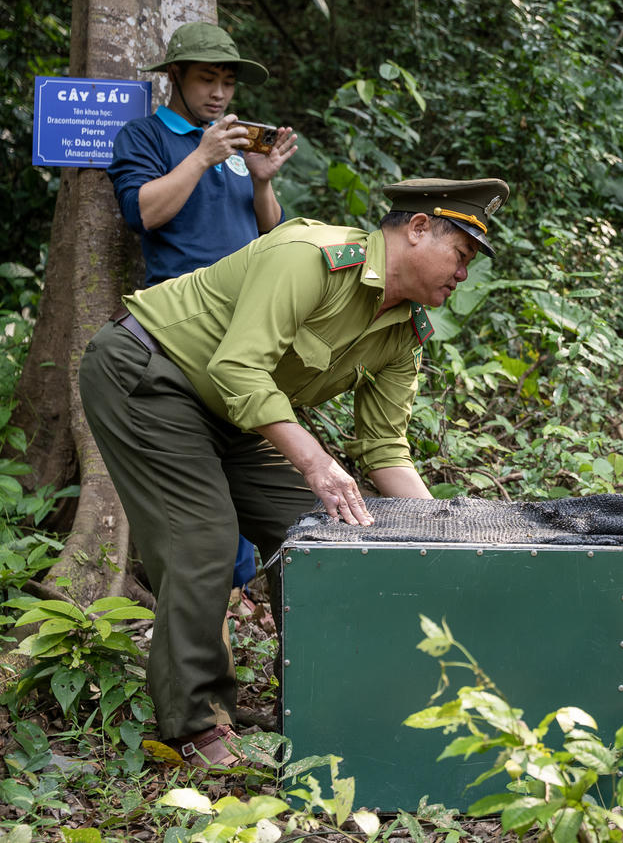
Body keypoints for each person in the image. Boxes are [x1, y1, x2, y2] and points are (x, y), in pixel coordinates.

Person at [79, 177, 510, 766]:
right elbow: (238, 367)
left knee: (325, 534)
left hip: (241, 414)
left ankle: (323, 700)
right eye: (460, 256)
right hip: (153, 374)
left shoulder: (405, 333)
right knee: (203, 537)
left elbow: (385, 447)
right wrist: (315, 462)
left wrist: (438, 534)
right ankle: (195, 728)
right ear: (416, 229)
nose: (463, 275)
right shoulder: (310, 259)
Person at [107, 21, 300, 597]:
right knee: (201, 457)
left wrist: (262, 180)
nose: (219, 93)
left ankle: (245, 585)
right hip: (181, 328)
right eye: (206, 79)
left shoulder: (239, 144)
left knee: (246, 451)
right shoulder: (143, 137)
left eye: (227, 83)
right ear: (175, 78)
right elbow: (143, 212)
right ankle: (218, 592)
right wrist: (201, 155)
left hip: (250, 321)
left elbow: (271, 233)